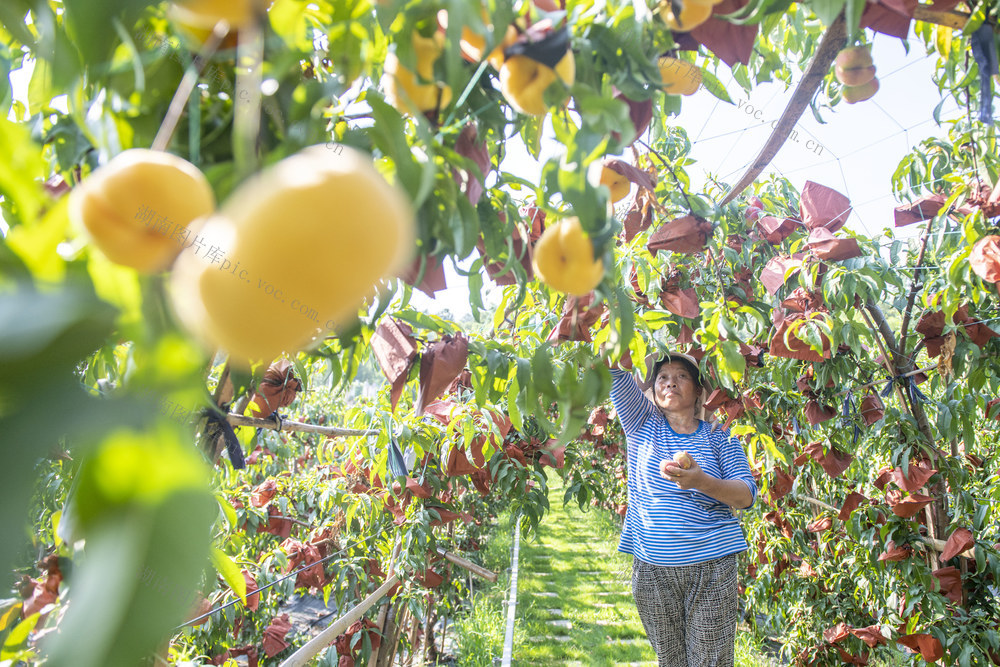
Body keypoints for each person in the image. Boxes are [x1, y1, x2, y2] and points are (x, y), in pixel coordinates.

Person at [608, 351, 757, 667]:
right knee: (671, 660)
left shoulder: (720, 434)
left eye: (681, 376)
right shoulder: (641, 422)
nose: (670, 382)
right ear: (654, 387)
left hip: (712, 565)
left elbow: (745, 495)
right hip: (653, 567)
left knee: (710, 661)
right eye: (662, 376)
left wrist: (701, 481)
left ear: (699, 390)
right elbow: (613, 371)